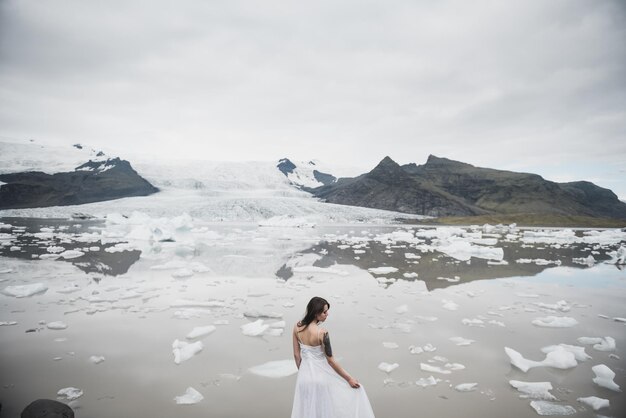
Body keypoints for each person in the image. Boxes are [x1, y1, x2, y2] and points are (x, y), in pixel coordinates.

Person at [291, 296, 375, 418]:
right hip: (321, 379)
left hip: (304, 378)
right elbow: (331, 361)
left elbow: (296, 355)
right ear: (316, 313)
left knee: (306, 412)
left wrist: (304, 372)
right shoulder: (322, 333)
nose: (327, 314)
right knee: (323, 412)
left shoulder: (297, 327)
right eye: (324, 312)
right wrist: (349, 379)